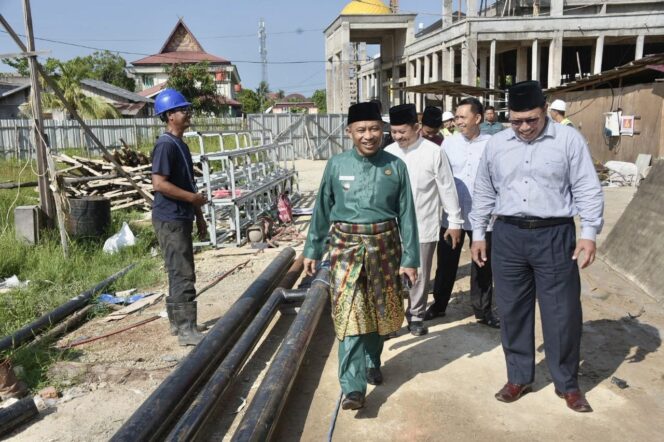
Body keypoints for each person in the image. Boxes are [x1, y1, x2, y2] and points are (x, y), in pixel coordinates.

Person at [470, 80, 604, 413]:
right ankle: (519, 376)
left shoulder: (568, 140)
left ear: (544, 111)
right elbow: (484, 191)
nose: (525, 127)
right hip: (509, 236)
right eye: (517, 121)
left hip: (554, 235)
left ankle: (567, 384)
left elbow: (587, 187)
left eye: (532, 119)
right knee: (513, 310)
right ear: (507, 118)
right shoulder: (497, 145)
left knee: (562, 312)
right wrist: (478, 234)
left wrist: (588, 232)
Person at [303, 102, 420, 411]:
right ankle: (353, 387)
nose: (369, 136)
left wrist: (411, 258)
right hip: (345, 248)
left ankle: (373, 359)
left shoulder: (395, 167)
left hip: (385, 247)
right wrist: (312, 249)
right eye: (361, 130)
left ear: (382, 131)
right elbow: (322, 210)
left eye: (373, 129)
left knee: (380, 309)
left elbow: (407, 215)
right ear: (349, 133)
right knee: (350, 312)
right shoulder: (336, 165)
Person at [385, 104, 462, 337]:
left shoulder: (433, 152)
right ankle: (391, 318)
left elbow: (447, 188)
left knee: (418, 273)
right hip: (391, 228)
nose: (398, 137)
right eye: (394, 132)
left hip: (424, 223)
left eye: (402, 132)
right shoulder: (388, 153)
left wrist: (455, 222)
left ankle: (416, 315)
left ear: (416, 128)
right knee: (391, 275)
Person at [426, 98, 499, 328]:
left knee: (482, 266)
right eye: (456, 117)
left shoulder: (493, 144)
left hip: (484, 217)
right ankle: (438, 305)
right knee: (446, 263)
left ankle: (482, 310)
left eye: (462, 117)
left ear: (477, 119)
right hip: (453, 216)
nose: (457, 122)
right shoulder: (449, 144)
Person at [151, 88, 208, 346]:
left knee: (177, 270)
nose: (187, 113)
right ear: (169, 115)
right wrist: (193, 201)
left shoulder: (180, 144)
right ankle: (186, 330)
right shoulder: (165, 145)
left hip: (180, 216)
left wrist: (199, 216)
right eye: (182, 110)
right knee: (183, 272)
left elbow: (189, 186)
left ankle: (178, 324)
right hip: (170, 218)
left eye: (187, 109)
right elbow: (159, 184)